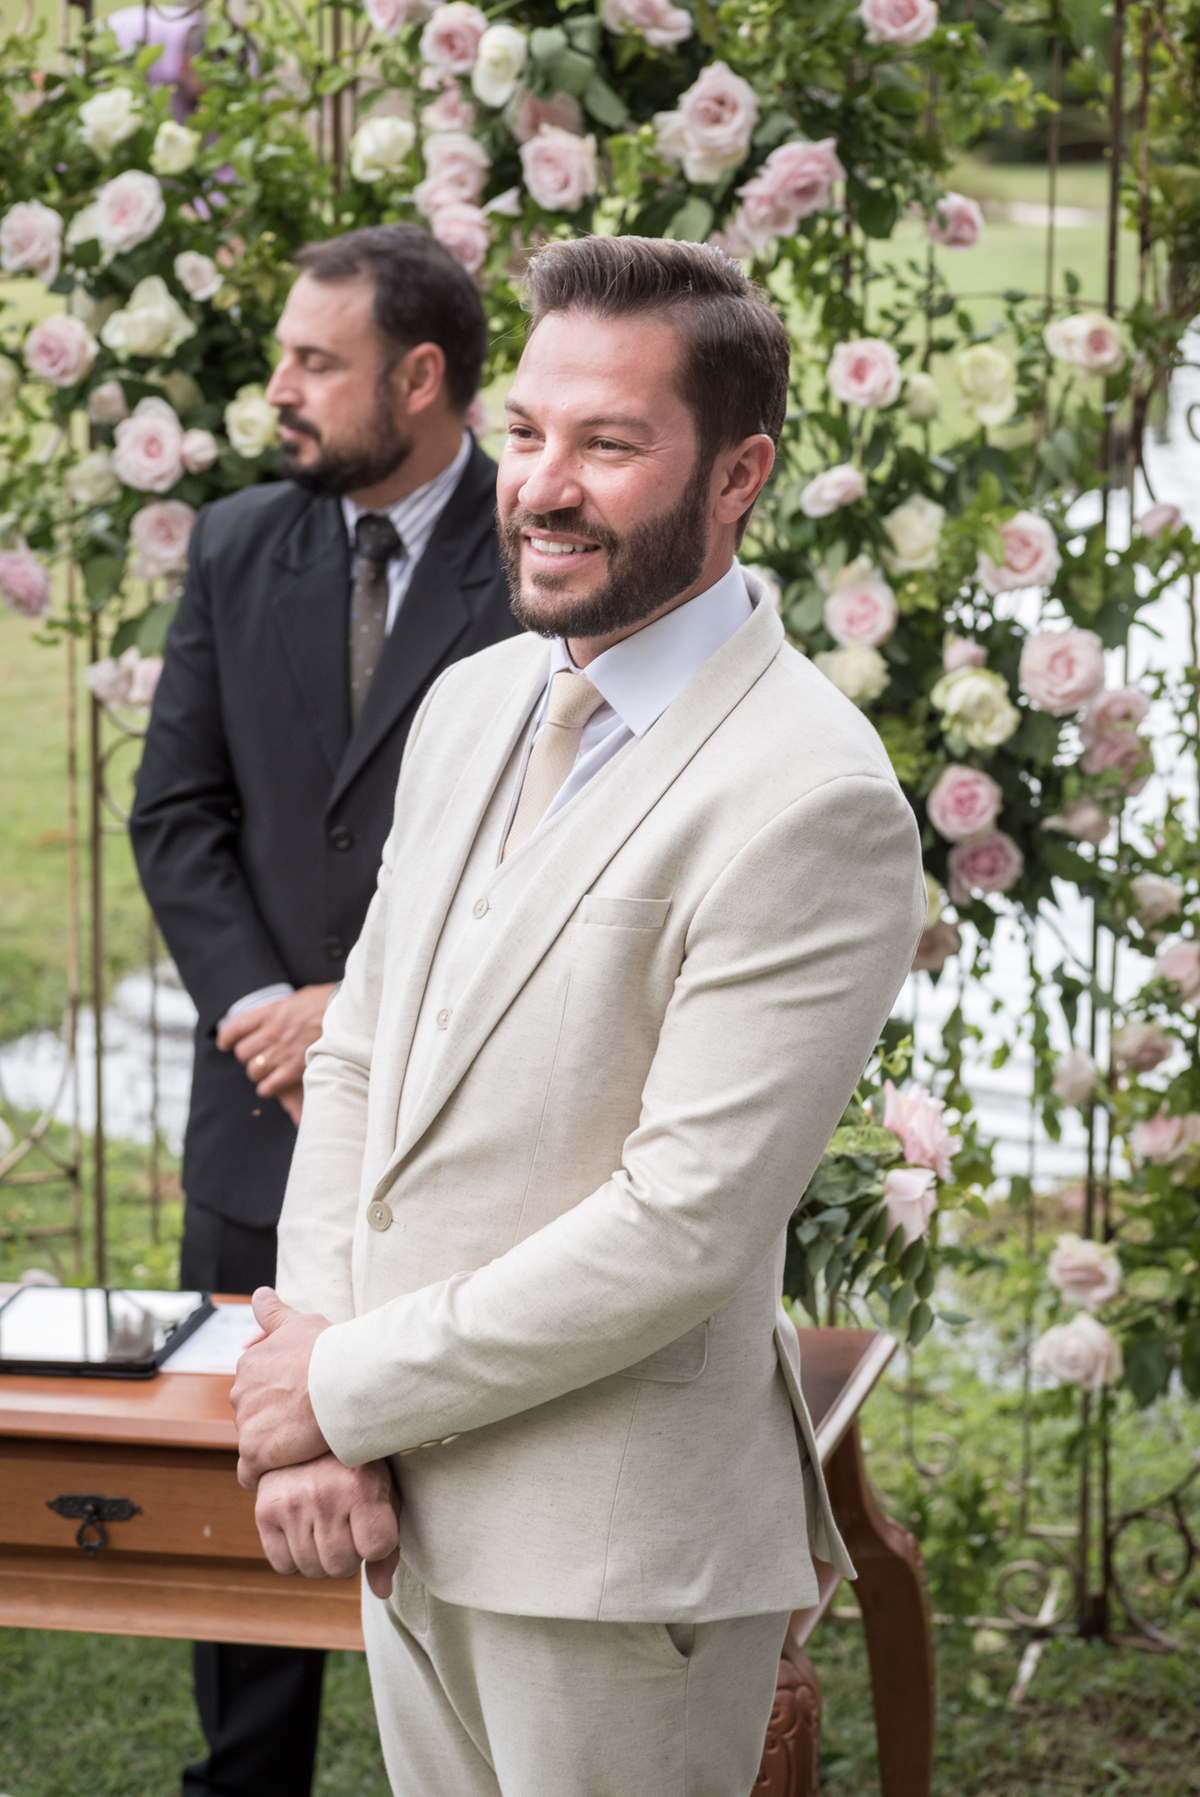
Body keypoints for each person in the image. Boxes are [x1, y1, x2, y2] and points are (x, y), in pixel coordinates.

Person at [229, 235, 926, 1797]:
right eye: (530, 431)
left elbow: (682, 1224)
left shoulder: (815, 796)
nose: (543, 484)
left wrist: (338, 1385)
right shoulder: (476, 700)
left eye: (609, 444)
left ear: (737, 474)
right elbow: (359, 1058)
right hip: (400, 1508)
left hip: (619, 1565)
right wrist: (324, 1405)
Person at [130, 224, 519, 1797]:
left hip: (464, 1127)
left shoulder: (546, 542)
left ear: (419, 379)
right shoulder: (235, 543)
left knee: (475, 1500)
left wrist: (347, 1010)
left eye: (316, 361)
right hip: (255, 1124)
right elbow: (178, 813)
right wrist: (256, 1006)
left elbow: (541, 849)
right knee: (258, 1513)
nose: (278, 387)